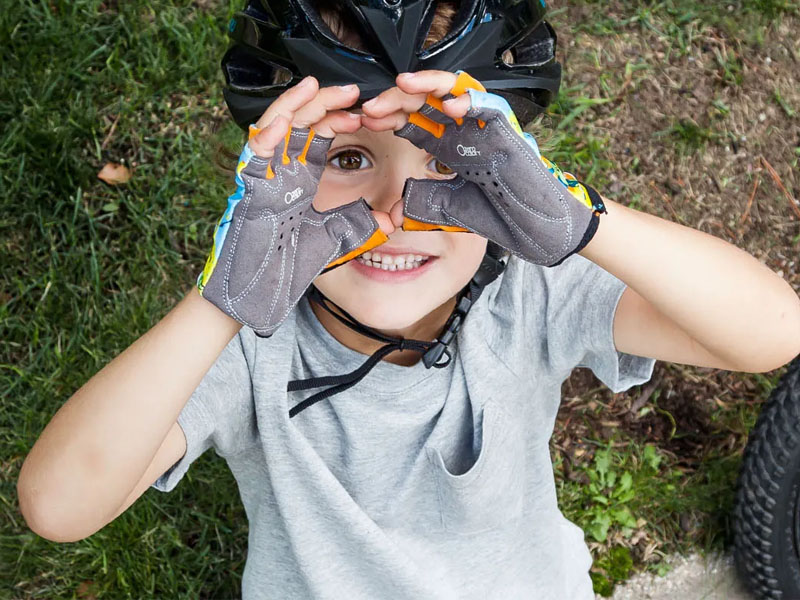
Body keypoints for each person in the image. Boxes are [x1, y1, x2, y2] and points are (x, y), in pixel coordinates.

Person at [17, 1, 800, 599]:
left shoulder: (531, 285)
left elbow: (772, 334)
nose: (394, 208)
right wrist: (221, 300)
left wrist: (582, 222)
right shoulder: (250, 338)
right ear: (273, 178)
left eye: (445, 160)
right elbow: (59, 506)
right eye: (349, 157)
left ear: (508, 174)